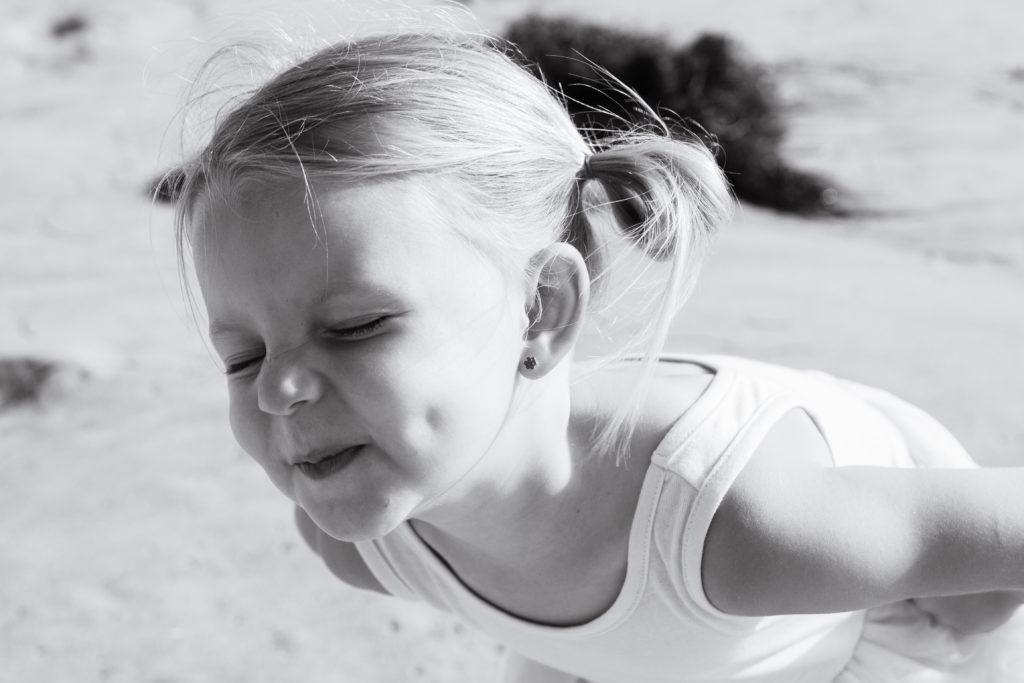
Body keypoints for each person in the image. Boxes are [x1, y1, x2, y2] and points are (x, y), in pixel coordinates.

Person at [171, 28, 1024, 682]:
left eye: (356, 326)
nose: (281, 387)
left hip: (854, 610)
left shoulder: (756, 529)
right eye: (241, 357)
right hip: (632, 631)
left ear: (541, 310)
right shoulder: (361, 535)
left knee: (979, 609)